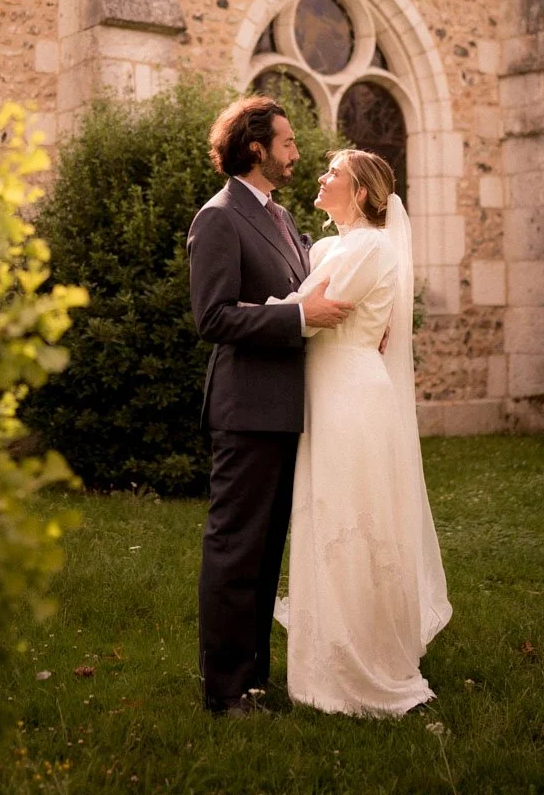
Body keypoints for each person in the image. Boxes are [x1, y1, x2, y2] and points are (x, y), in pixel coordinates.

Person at [187, 95, 353, 718]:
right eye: (286, 143)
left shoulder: (283, 219)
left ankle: (253, 680)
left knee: (264, 556)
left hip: (287, 410)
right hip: (246, 410)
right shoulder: (219, 217)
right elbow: (214, 317)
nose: (295, 153)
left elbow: (310, 289)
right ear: (255, 147)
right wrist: (298, 316)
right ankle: (224, 693)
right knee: (236, 553)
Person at [271, 149, 452, 716]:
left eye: (335, 175)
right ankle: (328, 644)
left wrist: (257, 311)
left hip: (351, 391)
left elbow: (314, 308)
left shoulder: (372, 246)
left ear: (364, 194)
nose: (322, 179)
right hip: (326, 390)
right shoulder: (331, 246)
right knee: (324, 512)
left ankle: (362, 659)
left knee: (351, 517)